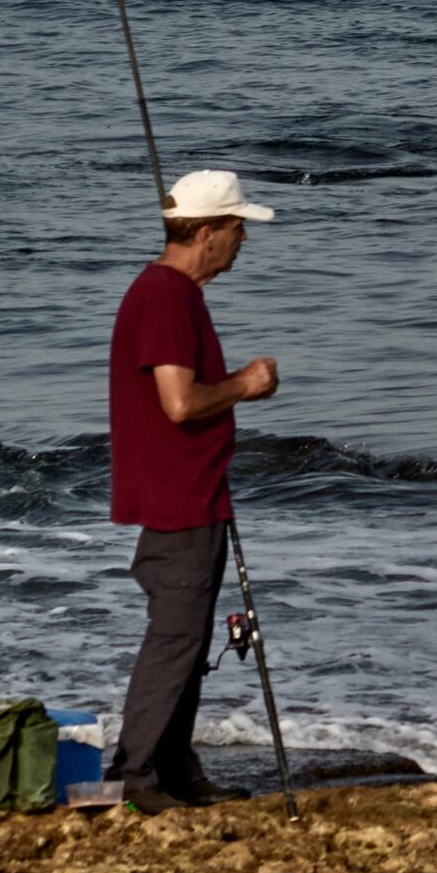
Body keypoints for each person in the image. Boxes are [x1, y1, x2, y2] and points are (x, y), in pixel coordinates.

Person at [108, 167, 279, 810]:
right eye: (237, 228)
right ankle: (137, 776)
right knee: (176, 637)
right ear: (206, 232)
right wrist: (247, 383)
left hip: (196, 492)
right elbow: (180, 404)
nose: (243, 239)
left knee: (191, 636)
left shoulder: (177, 296)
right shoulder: (164, 297)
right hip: (177, 496)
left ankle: (174, 768)